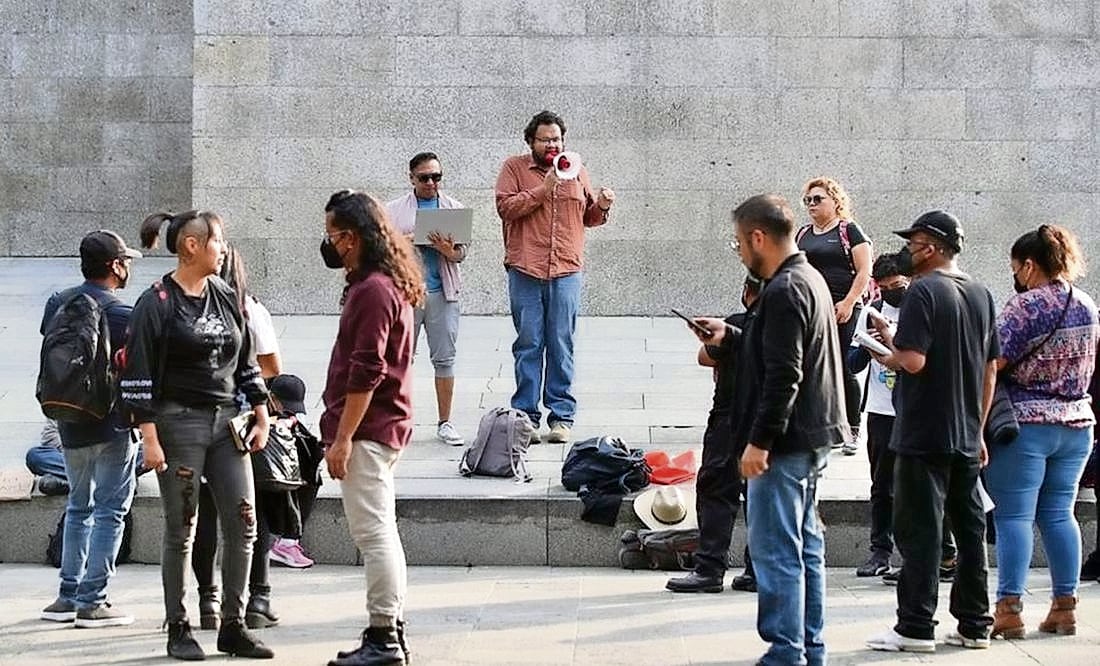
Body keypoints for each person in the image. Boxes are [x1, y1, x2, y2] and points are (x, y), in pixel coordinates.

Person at [697, 194, 846, 666]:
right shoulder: (808, 279)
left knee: (777, 549)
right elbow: (779, 350)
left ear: (759, 237)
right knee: (805, 547)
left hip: (785, 442)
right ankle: (808, 647)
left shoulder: (783, 290)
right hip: (811, 435)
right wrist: (732, 335)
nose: (740, 251)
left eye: (740, 242)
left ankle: (786, 652)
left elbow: (786, 375)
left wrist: (759, 443)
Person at [121, 211, 274, 660]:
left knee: (243, 522)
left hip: (228, 424)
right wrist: (149, 435)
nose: (223, 249)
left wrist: (261, 410)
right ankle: (179, 625)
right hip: (178, 423)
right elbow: (138, 372)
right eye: (217, 241)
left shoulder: (226, 294)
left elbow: (246, 361)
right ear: (191, 245)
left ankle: (233, 623)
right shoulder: (157, 301)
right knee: (180, 529)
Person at [865, 211, 997, 654]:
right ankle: (975, 624)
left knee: (920, 532)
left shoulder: (923, 290)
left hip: (923, 432)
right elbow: (989, 369)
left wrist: (889, 351)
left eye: (916, 241)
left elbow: (915, 361)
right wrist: (977, 430)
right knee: (969, 531)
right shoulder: (980, 292)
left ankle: (915, 626)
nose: (909, 248)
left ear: (933, 247)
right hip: (964, 433)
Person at [319, 190, 422, 666]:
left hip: (368, 428)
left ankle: (385, 636)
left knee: (375, 534)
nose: (331, 245)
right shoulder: (385, 284)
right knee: (379, 530)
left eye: (333, 235)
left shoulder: (373, 290)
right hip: (381, 424)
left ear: (353, 236)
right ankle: (386, 632)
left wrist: (342, 436)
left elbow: (367, 370)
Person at [985, 224, 1099, 638]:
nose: (1016, 275)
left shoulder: (1025, 307)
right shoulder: (1087, 303)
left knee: (1015, 516)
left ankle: (1010, 610)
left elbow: (992, 362)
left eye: (1016, 267)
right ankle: (1064, 607)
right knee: (1059, 514)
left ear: (1029, 265)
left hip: (1026, 426)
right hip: (1076, 426)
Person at [190, 246, 301, 636]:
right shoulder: (250, 309)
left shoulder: (188, 307)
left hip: (194, 422)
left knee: (204, 514)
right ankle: (258, 599)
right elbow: (272, 368)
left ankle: (207, 600)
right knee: (254, 509)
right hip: (243, 424)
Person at [38, 230, 141, 628]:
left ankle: (67, 595)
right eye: (125, 261)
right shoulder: (122, 313)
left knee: (78, 507)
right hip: (112, 425)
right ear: (115, 266)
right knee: (111, 512)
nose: (128, 266)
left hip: (67, 420)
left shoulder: (56, 303)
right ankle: (93, 600)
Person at [495, 110, 615, 444]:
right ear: (530, 141)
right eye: (546, 139)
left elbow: (588, 216)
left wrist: (603, 205)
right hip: (526, 268)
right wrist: (544, 189)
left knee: (561, 343)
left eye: (557, 139)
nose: (552, 145)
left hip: (566, 269)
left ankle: (561, 416)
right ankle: (525, 417)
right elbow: (505, 208)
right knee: (529, 343)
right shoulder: (514, 168)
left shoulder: (575, 169)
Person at [665, 274, 761, 593]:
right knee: (760, 495)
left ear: (747, 292)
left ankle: (709, 568)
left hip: (730, 416)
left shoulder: (737, 323)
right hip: (770, 419)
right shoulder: (787, 326)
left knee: (717, 487)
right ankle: (758, 569)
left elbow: (705, 356)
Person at [386, 152, 468, 446]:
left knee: (445, 359)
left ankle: (445, 422)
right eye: (425, 177)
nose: (432, 183)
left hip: (442, 293)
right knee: (399, 359)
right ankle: (398, 420)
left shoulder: (453, 207)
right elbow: (381, 250)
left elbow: (461, 254)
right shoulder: (394, 210)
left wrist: (447, 249)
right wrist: (405, 241)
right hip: (406, 294)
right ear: (411, 178)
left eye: (437, 177)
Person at [796, 177, 873, 456]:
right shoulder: (803, 234)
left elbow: (864, 271)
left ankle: (852, 427)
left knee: (843, 366)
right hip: (812, 310)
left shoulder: (848, 230)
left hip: (843, 308)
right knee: (813, 367)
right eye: (808, 200)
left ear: (835, 201)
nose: (812, 205)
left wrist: (849, 302)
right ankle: (825, 426)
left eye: (818, 199)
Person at [848, 252, 908, 577]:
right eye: (884, 287)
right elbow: (853, 362)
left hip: (912, 410)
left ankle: (912, 555)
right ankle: (880, 551)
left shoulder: (918, 309)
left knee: (911, 486)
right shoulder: (872, 311)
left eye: (896, 285)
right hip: (881, 409)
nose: (891, 292)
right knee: (881, 485)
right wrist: (867, 347)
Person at [26, 420, 70, 496]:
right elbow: (50, 436)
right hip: (71, 458)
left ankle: (68, 485)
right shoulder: (59, 409)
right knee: (34, 456)